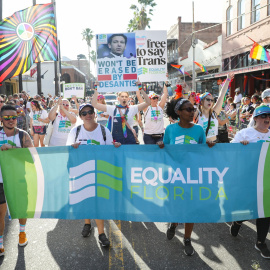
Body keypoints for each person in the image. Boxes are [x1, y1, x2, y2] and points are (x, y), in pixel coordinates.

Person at [157, 98, 214, 256]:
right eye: (188, 109)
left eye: (193, 109)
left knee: (191, 209)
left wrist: (210, 146)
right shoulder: (170, 130)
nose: (192, 112)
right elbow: (167, 152)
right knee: (175, 207)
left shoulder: (199, 130)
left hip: (192, 176)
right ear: (178, 112)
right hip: (174, 176)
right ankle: (174, 224)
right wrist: (161, 146)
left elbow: (203, 152)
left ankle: (187, 239)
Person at [66, 103, 121, 247]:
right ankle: (87, 223)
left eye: (90, 111)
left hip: (100, 171)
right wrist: (72, 148)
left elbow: (110, 150)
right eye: (84, 113)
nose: (88, 115)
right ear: (80, 116)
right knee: (85, 199)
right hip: (81, 170)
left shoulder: (104, 130)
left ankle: (101, 234)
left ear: (95, 113)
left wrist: (115, 147)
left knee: (99, 203)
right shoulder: (75, 131)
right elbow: (67, 151)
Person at [230, 105, 270, 259]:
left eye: (269, 116)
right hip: (248, 179)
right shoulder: (245, 133)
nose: (267, 119)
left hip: (266, 180)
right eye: (264, 116)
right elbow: (229, 152)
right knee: (248, 209)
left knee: (265, 212)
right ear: (255, 118)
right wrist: (240, 147)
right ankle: (238, 221)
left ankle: (260, 242)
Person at [0, 105, 34, 256]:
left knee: (21, 208)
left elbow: (33, 158)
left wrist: (13, 151)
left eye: (14, 117)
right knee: (0, 213)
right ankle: (1, 243)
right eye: (7, 117)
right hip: (1, 180)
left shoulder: (22, 135)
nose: (11, 120)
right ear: (1, 119)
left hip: (19, 178)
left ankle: (22, 234)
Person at [194, 72, 234, 142]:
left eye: (212, 100)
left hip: (214, 144)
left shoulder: (214, 113)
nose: (210, 101)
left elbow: (222, 95)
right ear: (202, 101)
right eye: (207, 99)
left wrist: (227, 80)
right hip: (201, 145)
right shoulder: (197, 113)